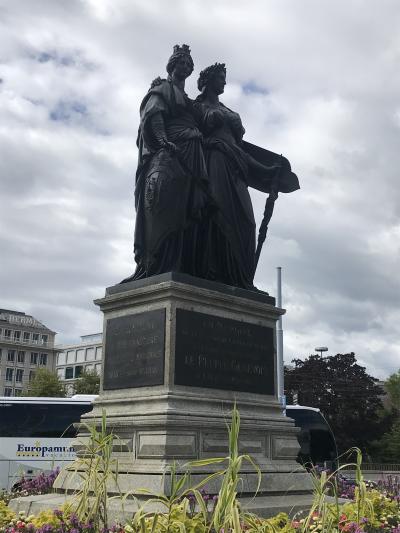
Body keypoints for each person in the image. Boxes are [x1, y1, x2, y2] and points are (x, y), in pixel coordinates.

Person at [122, 45, 215, 283]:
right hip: (172, 152)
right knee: (166, 205)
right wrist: (163, 141)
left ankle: (180, 261)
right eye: (181, 63)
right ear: (172, 66)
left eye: (188, 64)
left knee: (187, 210)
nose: (185, 67)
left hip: (192, 155)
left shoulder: (188, 99)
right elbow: (154, 114)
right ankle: (159, 261)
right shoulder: (163, 88)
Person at [195, 63, 285, 290]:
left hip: (235, 166)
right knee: (217, 214)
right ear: (208, 81)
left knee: (247, 222)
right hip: (214, 162)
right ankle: (215, 272)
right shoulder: (196, 106)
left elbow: (240, 150)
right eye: (221, 77)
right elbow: (190, 136)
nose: (225, 82)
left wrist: (266, 170)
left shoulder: (227, 110)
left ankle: (240, 277)